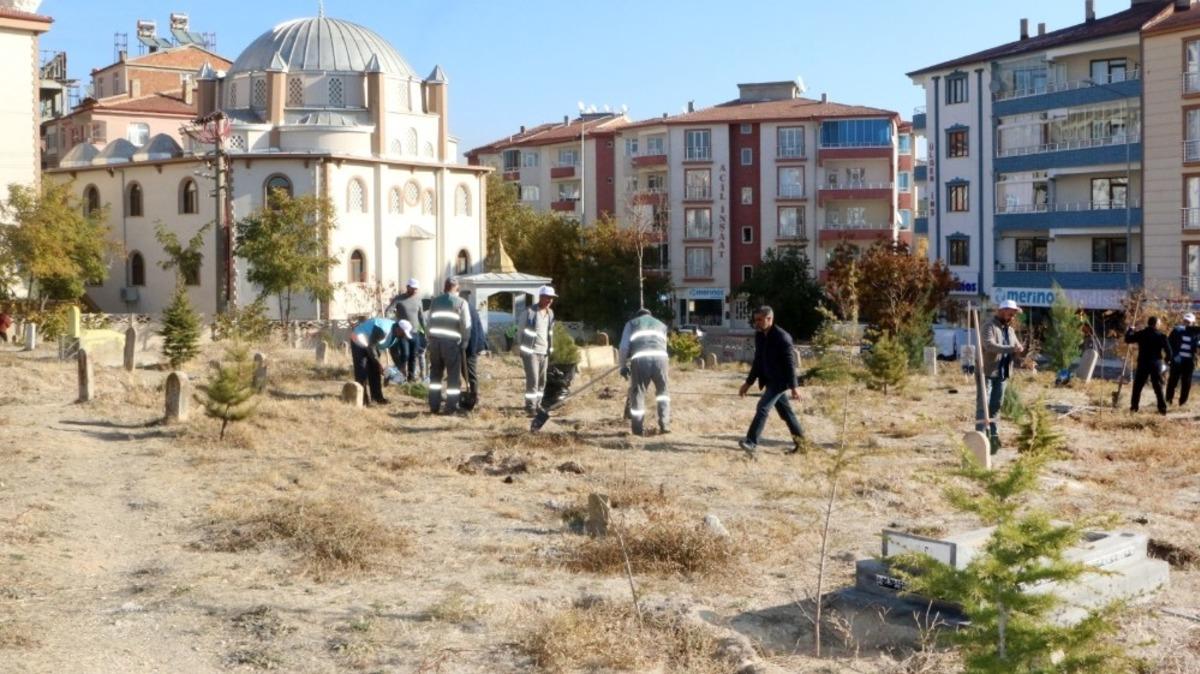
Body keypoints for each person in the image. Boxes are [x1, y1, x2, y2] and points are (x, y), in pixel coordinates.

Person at [738, 305, 806, 457]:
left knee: (762, 407)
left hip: (780, 382)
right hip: (769, 380)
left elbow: (790, 365)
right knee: (787, 414)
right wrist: (747, 383)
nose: (756, 323)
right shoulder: (760, 335)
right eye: (755, 320)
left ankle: (751, 442)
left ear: (770, 318)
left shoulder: (783, 338)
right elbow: (758, 361)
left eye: (760, 320)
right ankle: (802, 445)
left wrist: (794, 387)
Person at [979, 300, 1025, 451]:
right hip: (987, 372)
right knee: (983, 407)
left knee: (996, 407)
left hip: (1003, 373)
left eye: (1014, 313)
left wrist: (1019, 348)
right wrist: (1011, 348)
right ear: (1002, 310)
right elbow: (989, 345)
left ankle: (994, 438)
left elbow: (1015, 346)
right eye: (1011, 312)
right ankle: (980, 440)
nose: (1013, 315)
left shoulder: (1010, 330)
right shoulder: (989, 326)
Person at [618, 308, 670, 436]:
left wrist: (623, 366)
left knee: (638, 394)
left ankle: (637, 430)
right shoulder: (661, 325)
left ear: (638, 315)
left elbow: (624, 347)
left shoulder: (632, 323)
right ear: (650, 315)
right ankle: (665, 424)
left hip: (641, 360)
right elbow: (664, 344)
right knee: (663, 392)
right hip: (661, 359)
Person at [427, 277, 471, 414]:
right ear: (457, 287)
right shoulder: (461, 302)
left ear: (445, 286)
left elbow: (429, 322)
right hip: (451, 344)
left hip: (434, 343)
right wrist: (465, 341)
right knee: (453, 377)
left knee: (435, 376)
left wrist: (430, 339)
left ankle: (434, 405)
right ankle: (451, 407)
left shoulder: (435, 301)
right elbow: (466, 325)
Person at [350, 316, 408, 406]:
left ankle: (377, 398)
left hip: (370, 342)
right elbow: (371, 347)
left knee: (375, 371)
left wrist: (401, 367)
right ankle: (362, 400)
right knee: (362, 370)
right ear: (399, 329)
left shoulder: (397, 335)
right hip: (359, 339)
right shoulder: (383, 330)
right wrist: (378, 363)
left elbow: (395, 353)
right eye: (404, 333)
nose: (405, 336)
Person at [519, 285, 557, 415]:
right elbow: (520, 332)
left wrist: (550, 349)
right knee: (533, 380)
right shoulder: (529, 312)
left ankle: (538, 404)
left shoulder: (550, 313)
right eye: (548, 298)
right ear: (541, 297)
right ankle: (530, 406)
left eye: (552, 298)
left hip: (544, 352)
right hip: (531, 352)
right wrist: (521, 349)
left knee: (542, 381)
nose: (550, 301)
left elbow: (549, 333)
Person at [1126, 316, 1172, 415]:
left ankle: (1134, 408)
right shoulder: (1161, 336)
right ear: (1156, 324)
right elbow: (1169, 352)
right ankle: (1162, 409)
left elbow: (1128, 339)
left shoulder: (1141, 334)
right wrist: (1167, 361)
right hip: (1156, 364)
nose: (1159, 324)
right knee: (1158, 387)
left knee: (1137, 387)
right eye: (1159, 323)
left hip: (1143, 363)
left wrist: (1130, 330)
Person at [386, 278, 426, 381]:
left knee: (414, 355)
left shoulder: (418, 300)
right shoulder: (399, 299)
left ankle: (411, 377)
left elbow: (421, 317)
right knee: (405, 354)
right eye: (413, 288)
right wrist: (393, 322)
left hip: (415, 332)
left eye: (416, 289)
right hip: (403, 332)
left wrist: (426, 330)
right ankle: (402, 374)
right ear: (408, 287)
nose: (415, 291)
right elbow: (388, 311)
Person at [459, 290, 488, 410]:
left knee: (470, 372)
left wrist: (471, 349)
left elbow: (474, 331)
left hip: (472, 345)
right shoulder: (466, 307)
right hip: (469, 344)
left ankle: (474, 396)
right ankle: (471, 393)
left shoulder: (468, 309)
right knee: (465, 371)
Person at [1167, 312, 1199, 407]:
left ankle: (1183, 402)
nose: (1186, 323)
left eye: (1189, 322)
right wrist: (1170, 356)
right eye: (1185, 321)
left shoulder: (1196, 332)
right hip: (1177, 360)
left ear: (1193, 322)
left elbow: (1198, 344)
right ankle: (1168, 400)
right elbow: (1168, 343)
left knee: (1186, 382)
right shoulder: (1177, 330)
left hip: (1189, 361)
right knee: (1173, 381)